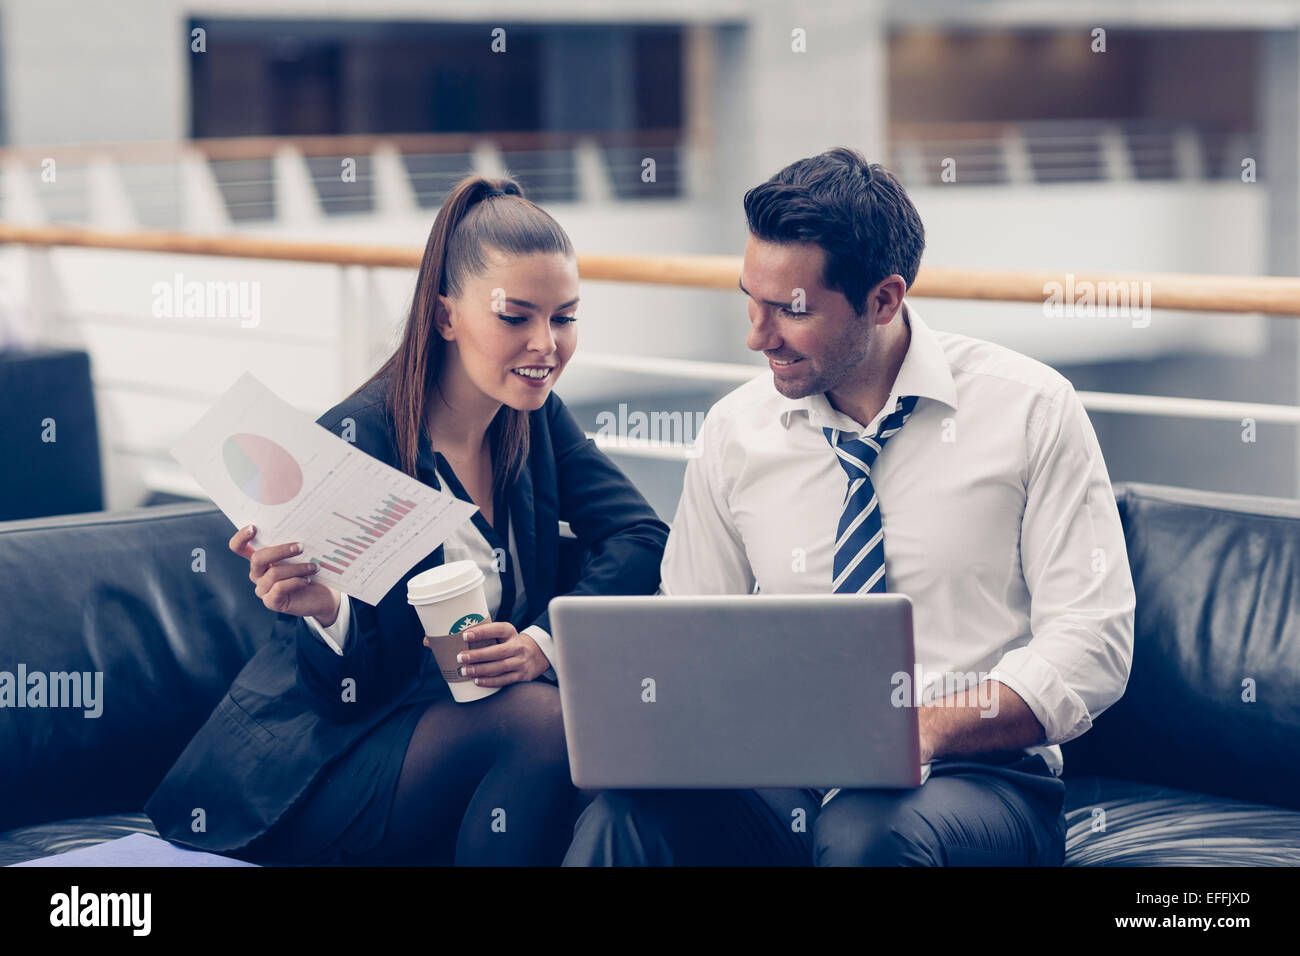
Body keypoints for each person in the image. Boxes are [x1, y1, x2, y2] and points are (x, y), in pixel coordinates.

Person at [563, 147, 1136, 866]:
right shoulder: (736, 431)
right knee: (628, 812)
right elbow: (691, 627)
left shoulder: (1030, 409)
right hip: (783, 771)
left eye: (790, 311)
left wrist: (923, 728)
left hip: (980, 778)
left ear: (884, 299)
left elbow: (1094, 644)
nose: (757, 336)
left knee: (868, 836)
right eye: (751, 299)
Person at [146, 175, 670, 866]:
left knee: (576, 736)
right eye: (516, 316)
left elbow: (641, 537)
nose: (546, 344)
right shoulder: (355, 442)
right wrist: (327, 611)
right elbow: (341, 696)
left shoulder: (534, 421)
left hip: (462, 734)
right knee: (546, 725)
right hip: (327, 761)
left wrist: (542, 641)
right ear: (447, 316)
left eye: (564, 316)